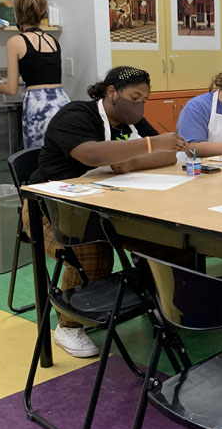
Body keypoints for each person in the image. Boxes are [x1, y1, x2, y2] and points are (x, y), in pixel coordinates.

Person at [27, 66, 188, 358]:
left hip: (109, 204)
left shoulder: (133, 125)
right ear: (111, 93)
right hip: (50, 206)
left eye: (145, 99)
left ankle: (153, 301)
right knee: (91, 251)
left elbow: (169, 153)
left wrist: (129, 164)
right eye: (134, 97)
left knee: (166, 239)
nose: (139, 105)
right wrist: (149, 146)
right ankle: (68, 326)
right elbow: (93, 154)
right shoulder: (76, 115)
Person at [0, 0, 70, 149]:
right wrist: (2, 79)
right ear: (42, 11)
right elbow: (39, 79)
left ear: (17, 12)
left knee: (39, 160)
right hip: (62, 104)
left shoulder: (15, 42)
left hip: (38, 109)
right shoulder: (52, 41)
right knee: (61, 159)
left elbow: (11, 90)